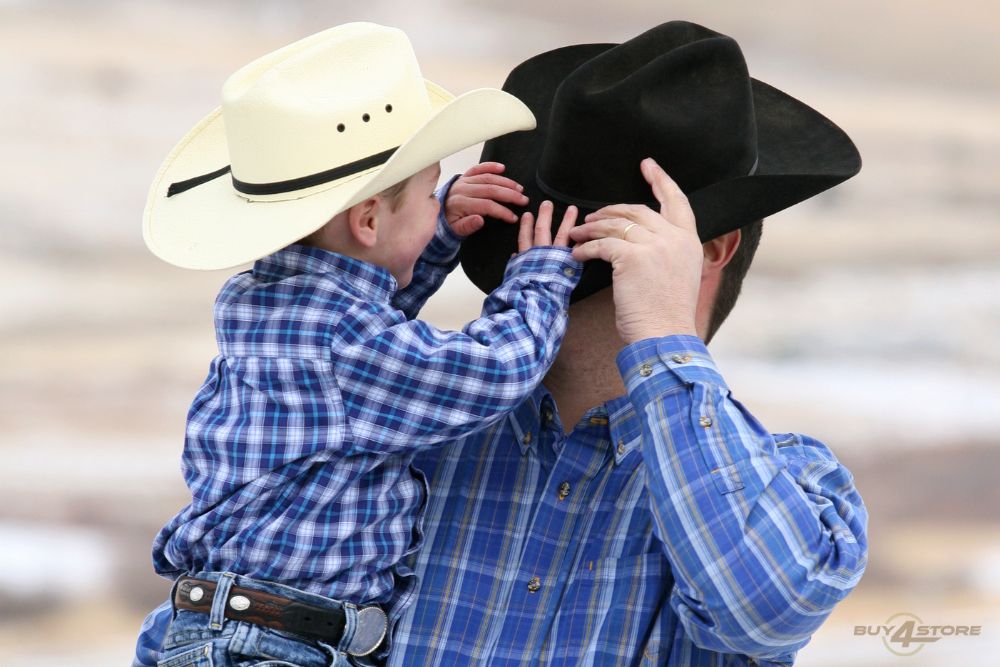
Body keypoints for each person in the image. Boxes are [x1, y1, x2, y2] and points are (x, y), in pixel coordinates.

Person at [387, 21, 869, 666]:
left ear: (707, 252)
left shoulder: (796, 483)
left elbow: (767, 613)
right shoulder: (411, 429)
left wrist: (663, 334)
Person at [136, 22, 585, 667]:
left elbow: (366, 340)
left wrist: (434, 237)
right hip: (278, 646)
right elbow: (489, 371)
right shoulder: (345, 343)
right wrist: (541, 277)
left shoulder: (260, 301)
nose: (440, 201)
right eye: (431, 192)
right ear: (369, 219)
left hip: (226, 629)